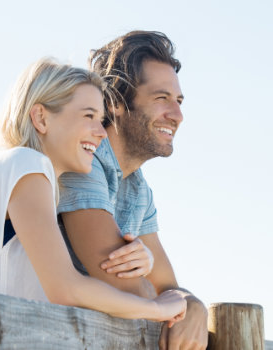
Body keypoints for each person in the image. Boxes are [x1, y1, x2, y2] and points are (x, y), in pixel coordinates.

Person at [0, 58, 187, 325]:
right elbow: (66, 288)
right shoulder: (26, 165)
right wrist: (157, 309)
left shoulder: (35, 179)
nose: (101, 133)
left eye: (101, 119)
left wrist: (145, 261)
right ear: (41, 118)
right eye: (89, 116)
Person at [57, 31, 209, 349]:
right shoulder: (84, 158)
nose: (177, 115)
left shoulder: (138, 189)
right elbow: (116, 281)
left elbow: (167, 286)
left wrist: (193, 305)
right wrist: (171, 300)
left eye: (178, 101)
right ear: (116, 102)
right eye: (161, 98)